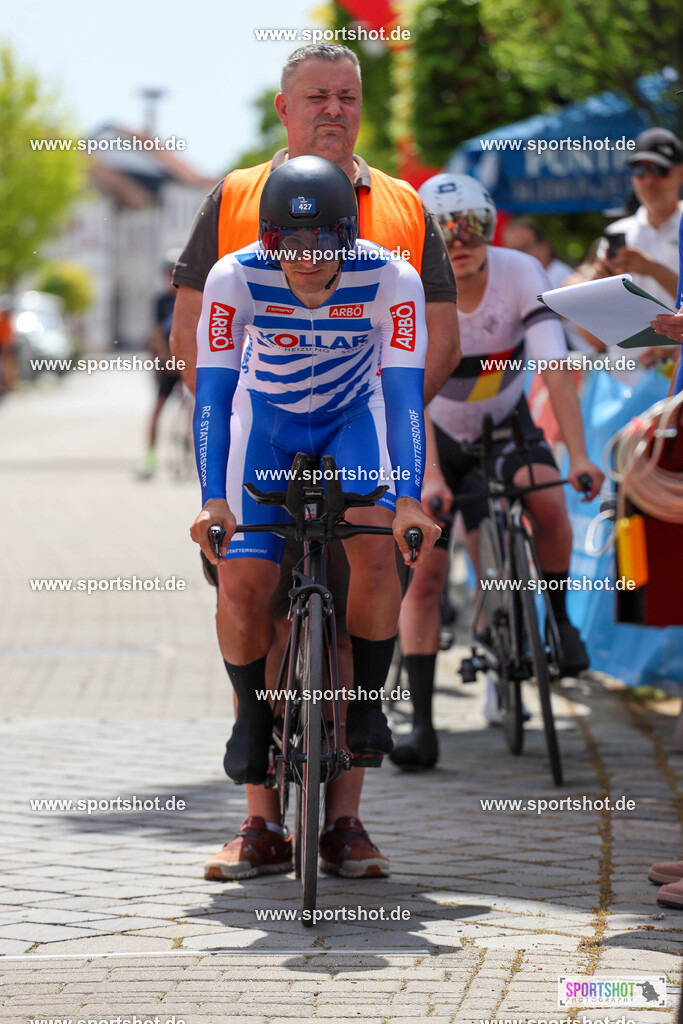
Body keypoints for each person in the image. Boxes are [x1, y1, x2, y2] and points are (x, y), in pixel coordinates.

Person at [170, 42, 460, 880]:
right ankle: (258, 797)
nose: (334, 108)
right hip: (257, 428)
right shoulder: (233, 204)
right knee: (248, 591)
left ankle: (349, 807)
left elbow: (415, 370)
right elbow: (203, 361)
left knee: (376, 555)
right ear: (284, 107)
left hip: (358, 420)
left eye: (348, 95)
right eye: (317, 96)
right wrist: (212, 489)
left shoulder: (401, 217)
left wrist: (407, 490)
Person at [391, 174, 605, 771]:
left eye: (473, 225)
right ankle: (426, 725)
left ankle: (560, 624)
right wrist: (428, 478)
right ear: (424, 240)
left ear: (492, 226)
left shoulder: (520, 273)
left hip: (506, 425)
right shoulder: (408, 285)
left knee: (548, 501)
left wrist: (580, 456)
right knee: (426, 572)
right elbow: (408, 393)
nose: (460, 240)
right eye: (443, 229)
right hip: (432, 432)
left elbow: (555, 368)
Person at [140, 251, 183, 478]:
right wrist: (165, 359)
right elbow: (156, 334)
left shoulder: (191, 296)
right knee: (157, 409)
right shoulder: (161, 300)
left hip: (187, 362)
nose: (171, 278)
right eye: (169, 273)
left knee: (199, 409)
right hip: (167, 363)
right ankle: (149, 459)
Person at [501, 217, 572, 289]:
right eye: (511, 251)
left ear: (544, 247)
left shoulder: (563, 279)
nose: (517, 256)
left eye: (524, 248)